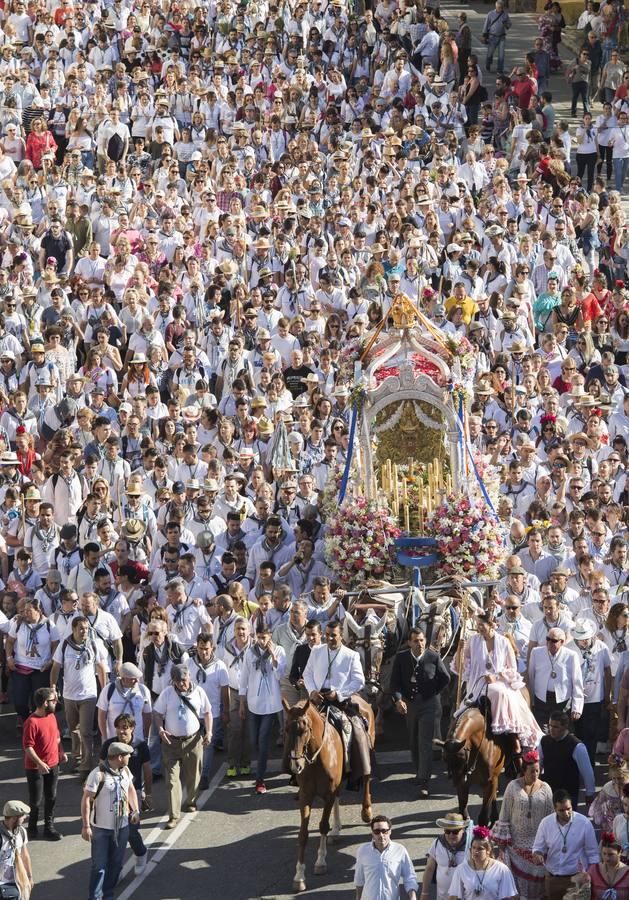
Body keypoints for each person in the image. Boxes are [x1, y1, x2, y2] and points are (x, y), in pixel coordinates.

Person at [455, 612, 543, 756]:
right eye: (477, 625)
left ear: (491, 625)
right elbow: (462, 667)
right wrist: (460, 650)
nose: (479, 628)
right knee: (461, 712)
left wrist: (496, 677)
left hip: (501, 682)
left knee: (500, 692)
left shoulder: (504, 641)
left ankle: (513, 736)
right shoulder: (473, 640)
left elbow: (513, 668)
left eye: (481, 625)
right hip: (477, 684)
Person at [390, 626, 450, 798]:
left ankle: (425, 780)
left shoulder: (433, 656)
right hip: (410, 704)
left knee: (425, 742)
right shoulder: (401, 658)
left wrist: (432, 692)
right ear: (409, 642)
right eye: (416, 641)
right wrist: (398, 700)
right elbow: (395, 684)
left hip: (429, 704)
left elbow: (445, 678)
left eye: (422, 640)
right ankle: (419, 773)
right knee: (413, 739)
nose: (420, 644)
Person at [153, 663, 211, 828]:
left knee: (194, 776)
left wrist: (210, 732)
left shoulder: (199, 692)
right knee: (172, 780)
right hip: (171, 743)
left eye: (184, 680)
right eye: (177, 681)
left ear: (189, 677)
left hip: (193, 742)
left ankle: (191, 800)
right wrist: (161, 729)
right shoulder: (167, 694)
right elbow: (157, 713)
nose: (181, 684)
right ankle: (173, 815)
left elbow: (207, 713)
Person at [81, 741, 140, 900]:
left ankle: (108, 895)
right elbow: (86, 799)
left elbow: (130, 789)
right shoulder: (98, 774)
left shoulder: (125, 770)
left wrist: (135, 810)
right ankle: (95, 897)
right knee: (99, 867)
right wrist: (86, 826)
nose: (130, 757)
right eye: (128, 755)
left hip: (122, 827)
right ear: (120, 757)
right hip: (100, 829)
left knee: (116, 865)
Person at [493, 750, 554, 898]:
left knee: (538, 885)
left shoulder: (546, 789)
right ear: (524, 771)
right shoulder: (512, 787)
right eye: (532, 771)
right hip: (515, 845)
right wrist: (502, 843)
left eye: (538, 771)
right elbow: (504, 814)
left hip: (537, 845)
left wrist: (550, 842)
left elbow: (550, 817)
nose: (535, 774)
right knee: (517, 886)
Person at [99, 714, 151, 876]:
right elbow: (101, 769)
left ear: (132, 728)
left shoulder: (140, 745)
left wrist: (148, 794)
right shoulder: (109, 744)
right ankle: (117, 868)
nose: (121, 731)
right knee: (114, 833)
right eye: (119, 727)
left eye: (125, 727)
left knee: (130, 831)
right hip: (112, 793)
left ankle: (141, 853)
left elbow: (147, 770)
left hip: (132, 793)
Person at [238, 623, 286, 795]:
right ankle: (260, 764)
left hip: (271, 703)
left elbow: (280, 674)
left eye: (264, 637)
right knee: (254, 741)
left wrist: (273, 657)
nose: (261, 640)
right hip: (253, 703)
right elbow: (243, 679)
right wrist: (242, 703)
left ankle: (260, 779)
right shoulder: (250, 653)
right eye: (259, 637)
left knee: (263, 740)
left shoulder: (279, 650)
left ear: (270, 636)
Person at [532, 788, 600, 900]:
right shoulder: (546, 823)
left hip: (577, 880)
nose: (566, 813)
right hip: (553, 880)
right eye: (561, 810)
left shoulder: (584, 823)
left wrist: (592, 877)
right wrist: (537, 855)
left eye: (569, 809)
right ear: (554, 808)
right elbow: (538, 847)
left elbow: (593, 854)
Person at [22, 685, 66, 840]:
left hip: (53, 764)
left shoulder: (52, 717)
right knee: (35, 801)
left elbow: (57, 736)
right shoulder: (31, 722)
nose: (56, 702)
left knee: (51, 797)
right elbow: (28, 747)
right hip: (35, 768)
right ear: (45, 703)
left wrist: (61, 751)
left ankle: (49, 827)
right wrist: (40, 763)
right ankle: (32, 829)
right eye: (53, 700)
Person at [528, 627, 584, 728]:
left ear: (562, 642)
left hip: (562, 702)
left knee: (561, 733)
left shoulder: (571, 656)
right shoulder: (536, 652)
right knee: (542, 733)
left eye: (553, 641)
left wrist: (577, 707)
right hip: (541, 700)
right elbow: (531, 678)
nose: (549, 642)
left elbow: (577, 682)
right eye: (547, 639)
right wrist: (530, 701)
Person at [539, 710, 596, 810]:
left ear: (565, 727)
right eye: (550, 726)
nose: (551, 729)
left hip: (568, 795)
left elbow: (587, 772)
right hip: (548, 793)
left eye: (556, 727)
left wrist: (589, 793)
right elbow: (538, 765)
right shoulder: (544, 741)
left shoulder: (577, 746)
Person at [354, 814, 418, 900]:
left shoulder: (400, 850)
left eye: (384, 831)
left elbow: (409, 876)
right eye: (377, 831)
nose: (381, 835)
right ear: (372, 833)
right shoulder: (363, 851)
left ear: (390, 831)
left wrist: (413, 897)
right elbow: (359, 880)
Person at [447, 825, 518, 899]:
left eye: (480, 849)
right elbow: (453, 896)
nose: (475, 851)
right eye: (473, 848)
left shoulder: (501, 869)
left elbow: (509, 897)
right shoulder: (462, 869)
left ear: (488, 851)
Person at [421, 813, 469, 900]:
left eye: (455, 832)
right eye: (447, 831)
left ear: (463, 830)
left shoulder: (471, 846)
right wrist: (424, 893)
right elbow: (429, 868)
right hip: (443, 897)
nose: (451, 835)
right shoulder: (437, 843)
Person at [0, 800, 33, 900]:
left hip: (18, 881)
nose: (25, 817)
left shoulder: (21, 832)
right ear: (14, 818)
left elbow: (25, 855)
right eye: (22, 815)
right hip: (3, 885)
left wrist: (30, 877)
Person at [587, 832, 629, 899]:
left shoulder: (627, 873)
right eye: (604, 853)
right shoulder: (593, 871)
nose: (607, 858)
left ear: (619, 852)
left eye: (611, 854)